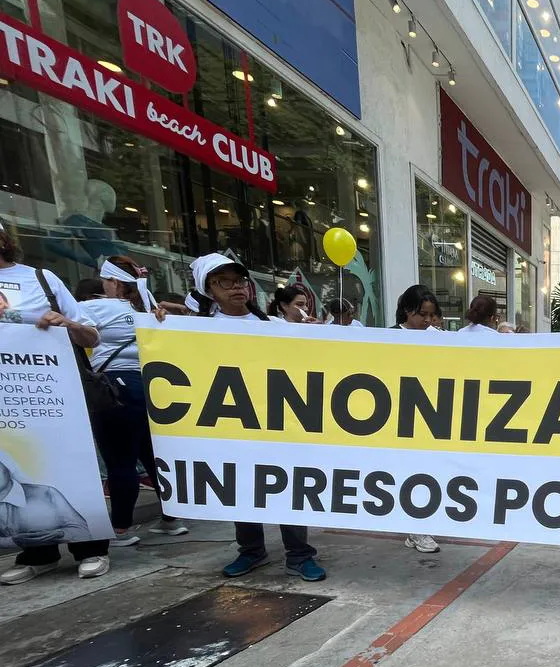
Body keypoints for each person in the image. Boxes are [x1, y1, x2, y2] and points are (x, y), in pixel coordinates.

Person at [188, 253, 326, 582]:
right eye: (225, 282)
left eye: (240, 281)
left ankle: (299, 553)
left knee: (287, 486)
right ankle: (251, 550)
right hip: (228, 421)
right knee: (241, 486)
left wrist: (315, 338)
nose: (236, 288)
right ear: (208, 287)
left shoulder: (273, 327)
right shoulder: (196, 328)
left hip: (276, 420)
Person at [0, 219, 110, 584]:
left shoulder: (42, 279)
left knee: (71, 460)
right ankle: (37, 553)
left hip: (52, 389)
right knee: (14, 465)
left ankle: (91, 548)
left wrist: (67, 325)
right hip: (7, 398)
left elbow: (91, 335)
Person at [79, 256, 189, 546]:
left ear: (113, 282)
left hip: (114, 388)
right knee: (151, 456)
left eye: (105, 280)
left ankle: (121, 528)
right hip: (152, 386)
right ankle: (172, 517)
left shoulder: (92, 307)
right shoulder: (149, 310)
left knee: (120, 461)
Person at [391, 286, 445, 554]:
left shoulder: (438, 338)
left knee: (427, 472)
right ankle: (417, 528)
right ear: (407, 311)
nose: (426, 321)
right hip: (398, 418)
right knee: (408, 473)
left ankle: (418, 526)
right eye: (422, 314)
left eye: (431, 315)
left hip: (429, 417)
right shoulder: (389, 337)